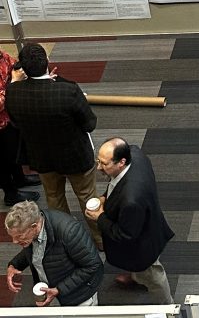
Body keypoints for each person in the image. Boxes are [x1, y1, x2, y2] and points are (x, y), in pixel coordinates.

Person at [5, 43, 101, 246]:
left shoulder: (13, 93)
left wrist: (15, 82)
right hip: (76, 157)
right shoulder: (68, 91)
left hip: (42, 157)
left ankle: (67, 239)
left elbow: (14, 121)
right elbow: (90, 124)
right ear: (47, 62)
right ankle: (100, 240)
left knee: (54, 198)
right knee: (87, 198)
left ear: (23, 69)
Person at [85, 138, 173, 302]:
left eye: (104, 164)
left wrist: (100, 217)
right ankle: (137, 276)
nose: (98, 167)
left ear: (121, 162)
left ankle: (167, 306)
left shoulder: (131, 200)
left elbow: (124, 234)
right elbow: (116, 187)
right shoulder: (135, 153)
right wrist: (106, 198)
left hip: (142, 244)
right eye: (99, 161)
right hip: (147, 219)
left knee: (154, 276)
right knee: (142, 270)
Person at [5, 200, 103, 307]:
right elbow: (38, 250)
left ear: (34, 226)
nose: (14, 241)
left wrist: (59, 289)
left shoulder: (70, 231)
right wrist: (15, 264)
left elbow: (93, 265)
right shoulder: (32, 230)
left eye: (19, 236)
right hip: (52, 291)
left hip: (79, 296)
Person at [0, 48, 41, 207]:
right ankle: (10, 193)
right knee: (1, 161)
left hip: (8, 119)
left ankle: (20, 179)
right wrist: (14, 82)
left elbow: (13, 65)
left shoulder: (2, 56)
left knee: (12, 152)